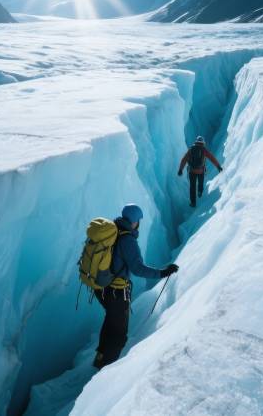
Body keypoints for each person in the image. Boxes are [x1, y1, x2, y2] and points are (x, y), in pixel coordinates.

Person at [92, 204, 179, 369]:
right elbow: (138, 268)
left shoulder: (113, 230)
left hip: (101, 288)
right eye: (138, 220)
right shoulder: (127, 240)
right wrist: (162, 273)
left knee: (111, 321)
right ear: (134, 221)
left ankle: (101, 357)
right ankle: (106, 371)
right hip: (116, 291)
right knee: (119, 334)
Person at [177, 136, 223, 207]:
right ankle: (200, 192)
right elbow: (212, 158)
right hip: (200, 171)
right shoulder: (204, 150)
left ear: (196, 141)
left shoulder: (191, 149)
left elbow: (184, 159)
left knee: (192, 187)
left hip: (192, 171)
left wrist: (180, 169)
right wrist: (218, 166)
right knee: (200, 183)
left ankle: (193, 203)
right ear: (203, 142)